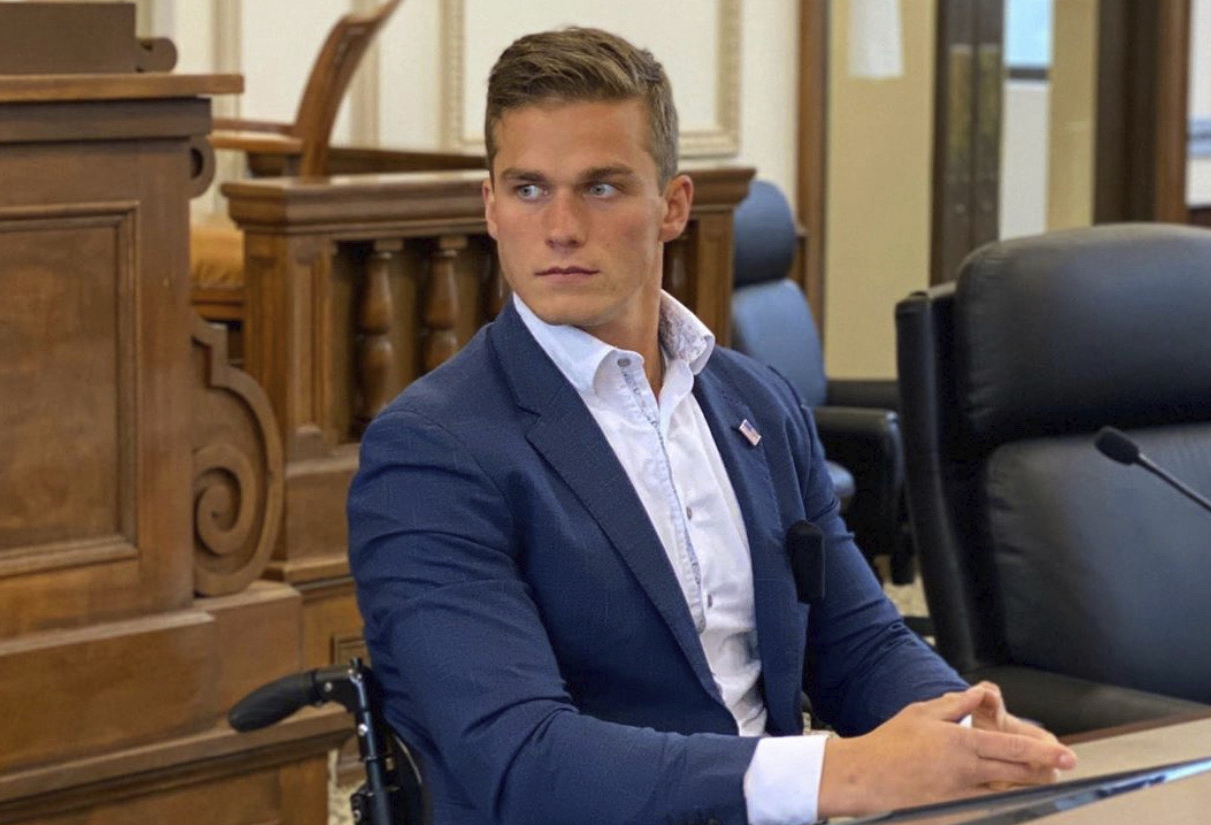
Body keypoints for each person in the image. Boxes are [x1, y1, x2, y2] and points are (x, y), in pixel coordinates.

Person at [348, 26, 1076, 825]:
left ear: (673, 206)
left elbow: (858, 644)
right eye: (527, 189)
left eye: (600, 187)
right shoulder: (432, 450)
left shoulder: (755, 401)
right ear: (490, 207)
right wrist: (840, 772)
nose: (558, 227)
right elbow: (522, 760)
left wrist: (968, 733)